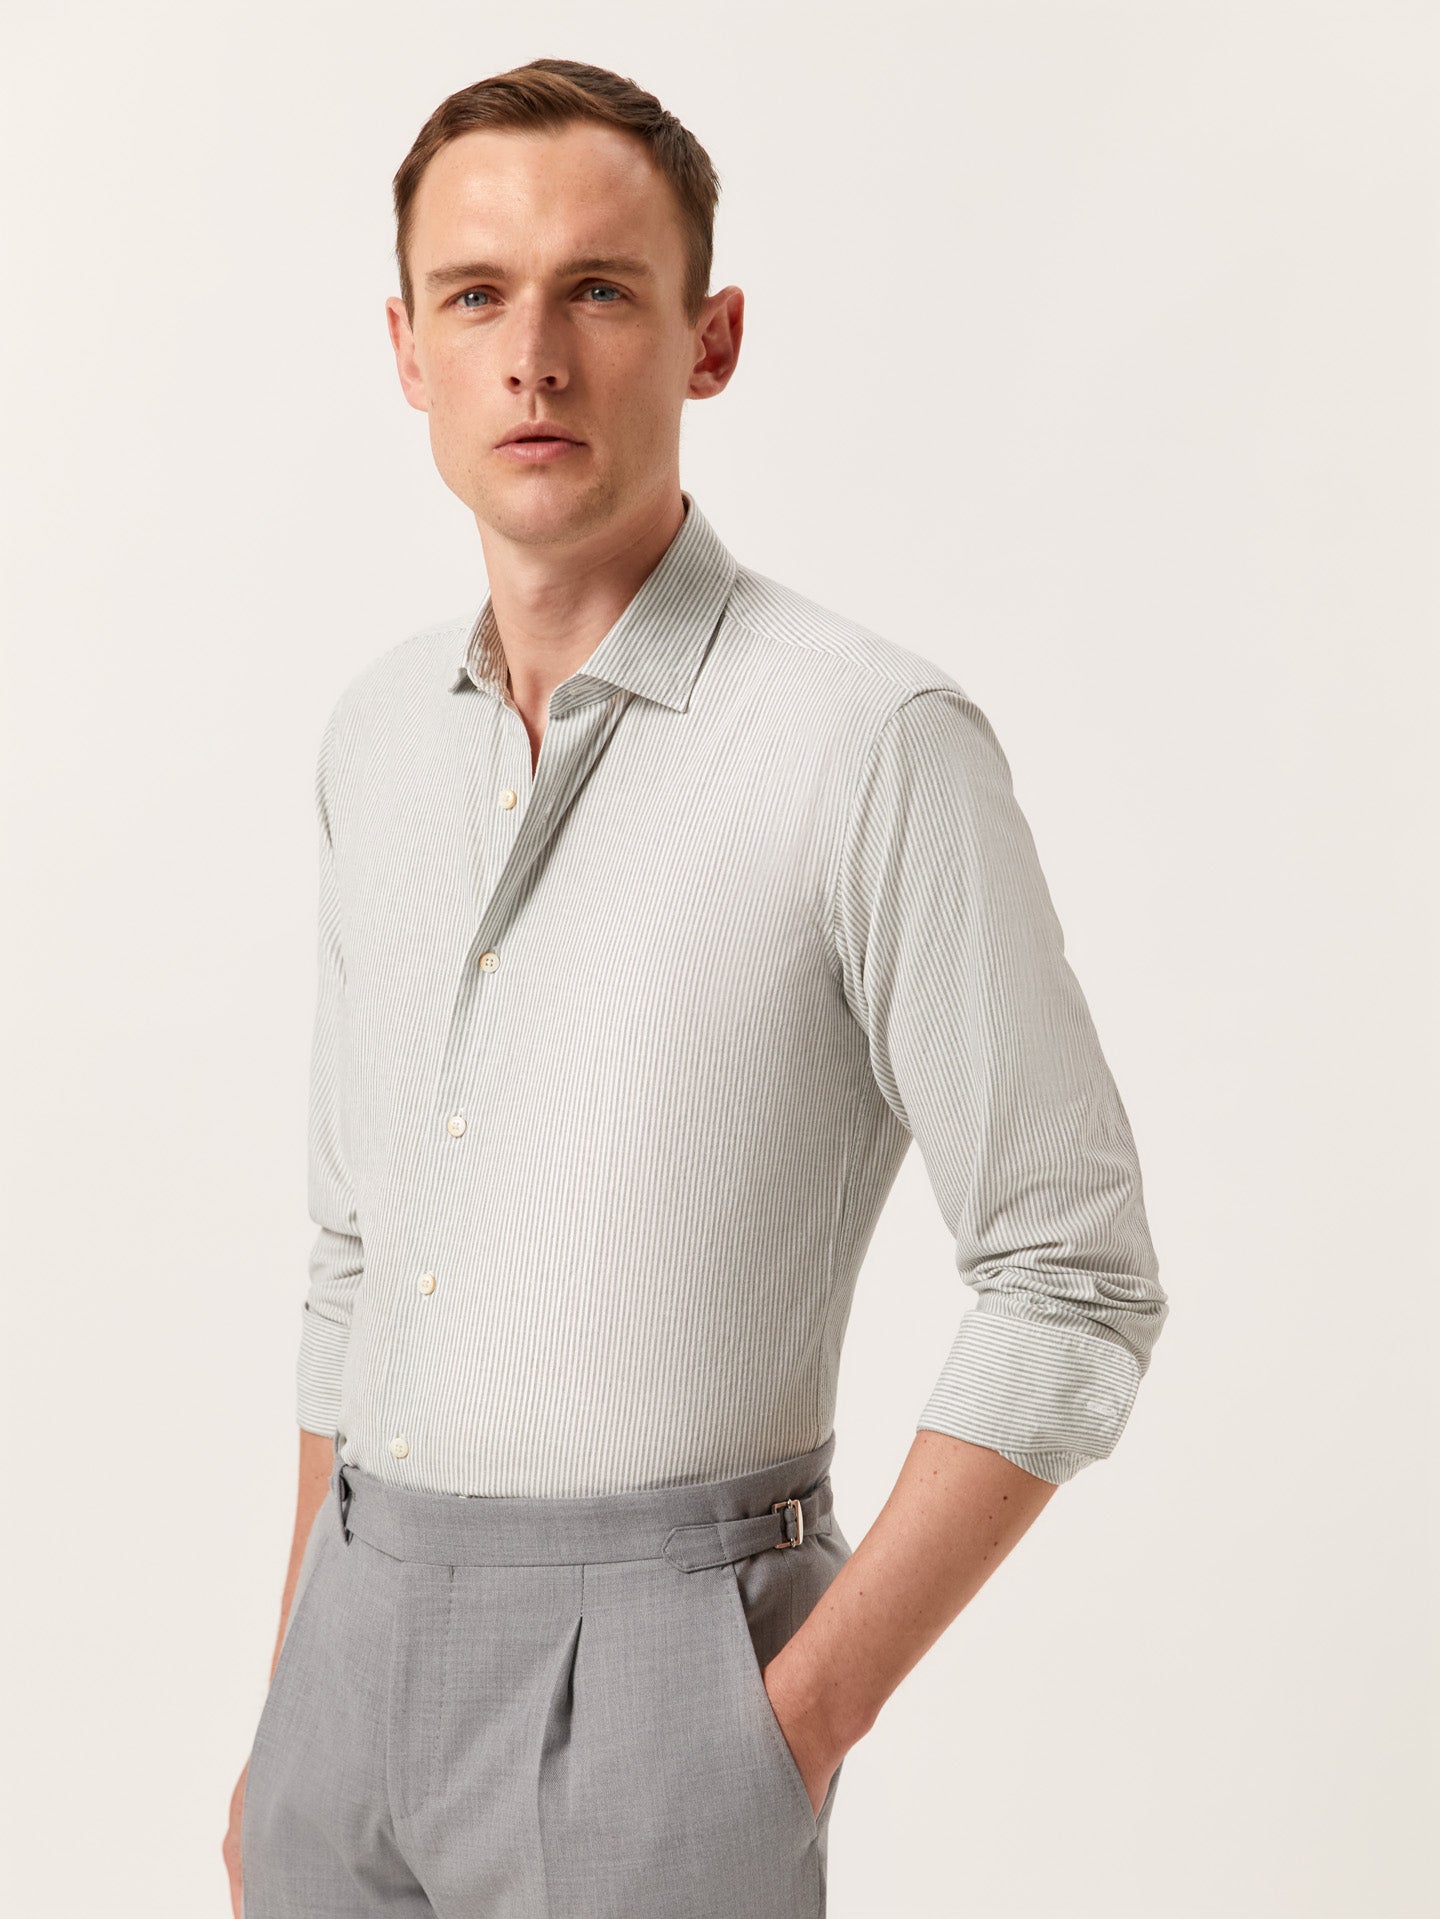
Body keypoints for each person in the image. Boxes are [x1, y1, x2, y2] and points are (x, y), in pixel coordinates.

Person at [224, 55, 1169, 1919]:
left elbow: (1075, 1275)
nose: (533, 358)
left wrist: (793, 1723)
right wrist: (287, 1703)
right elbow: (354, 1256)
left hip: (663, 1686)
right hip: (343, 1664)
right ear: (406, 350)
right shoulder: (375, 740)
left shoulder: (866, 739)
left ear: (708, 340)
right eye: (474, 296)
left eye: (599, 290)